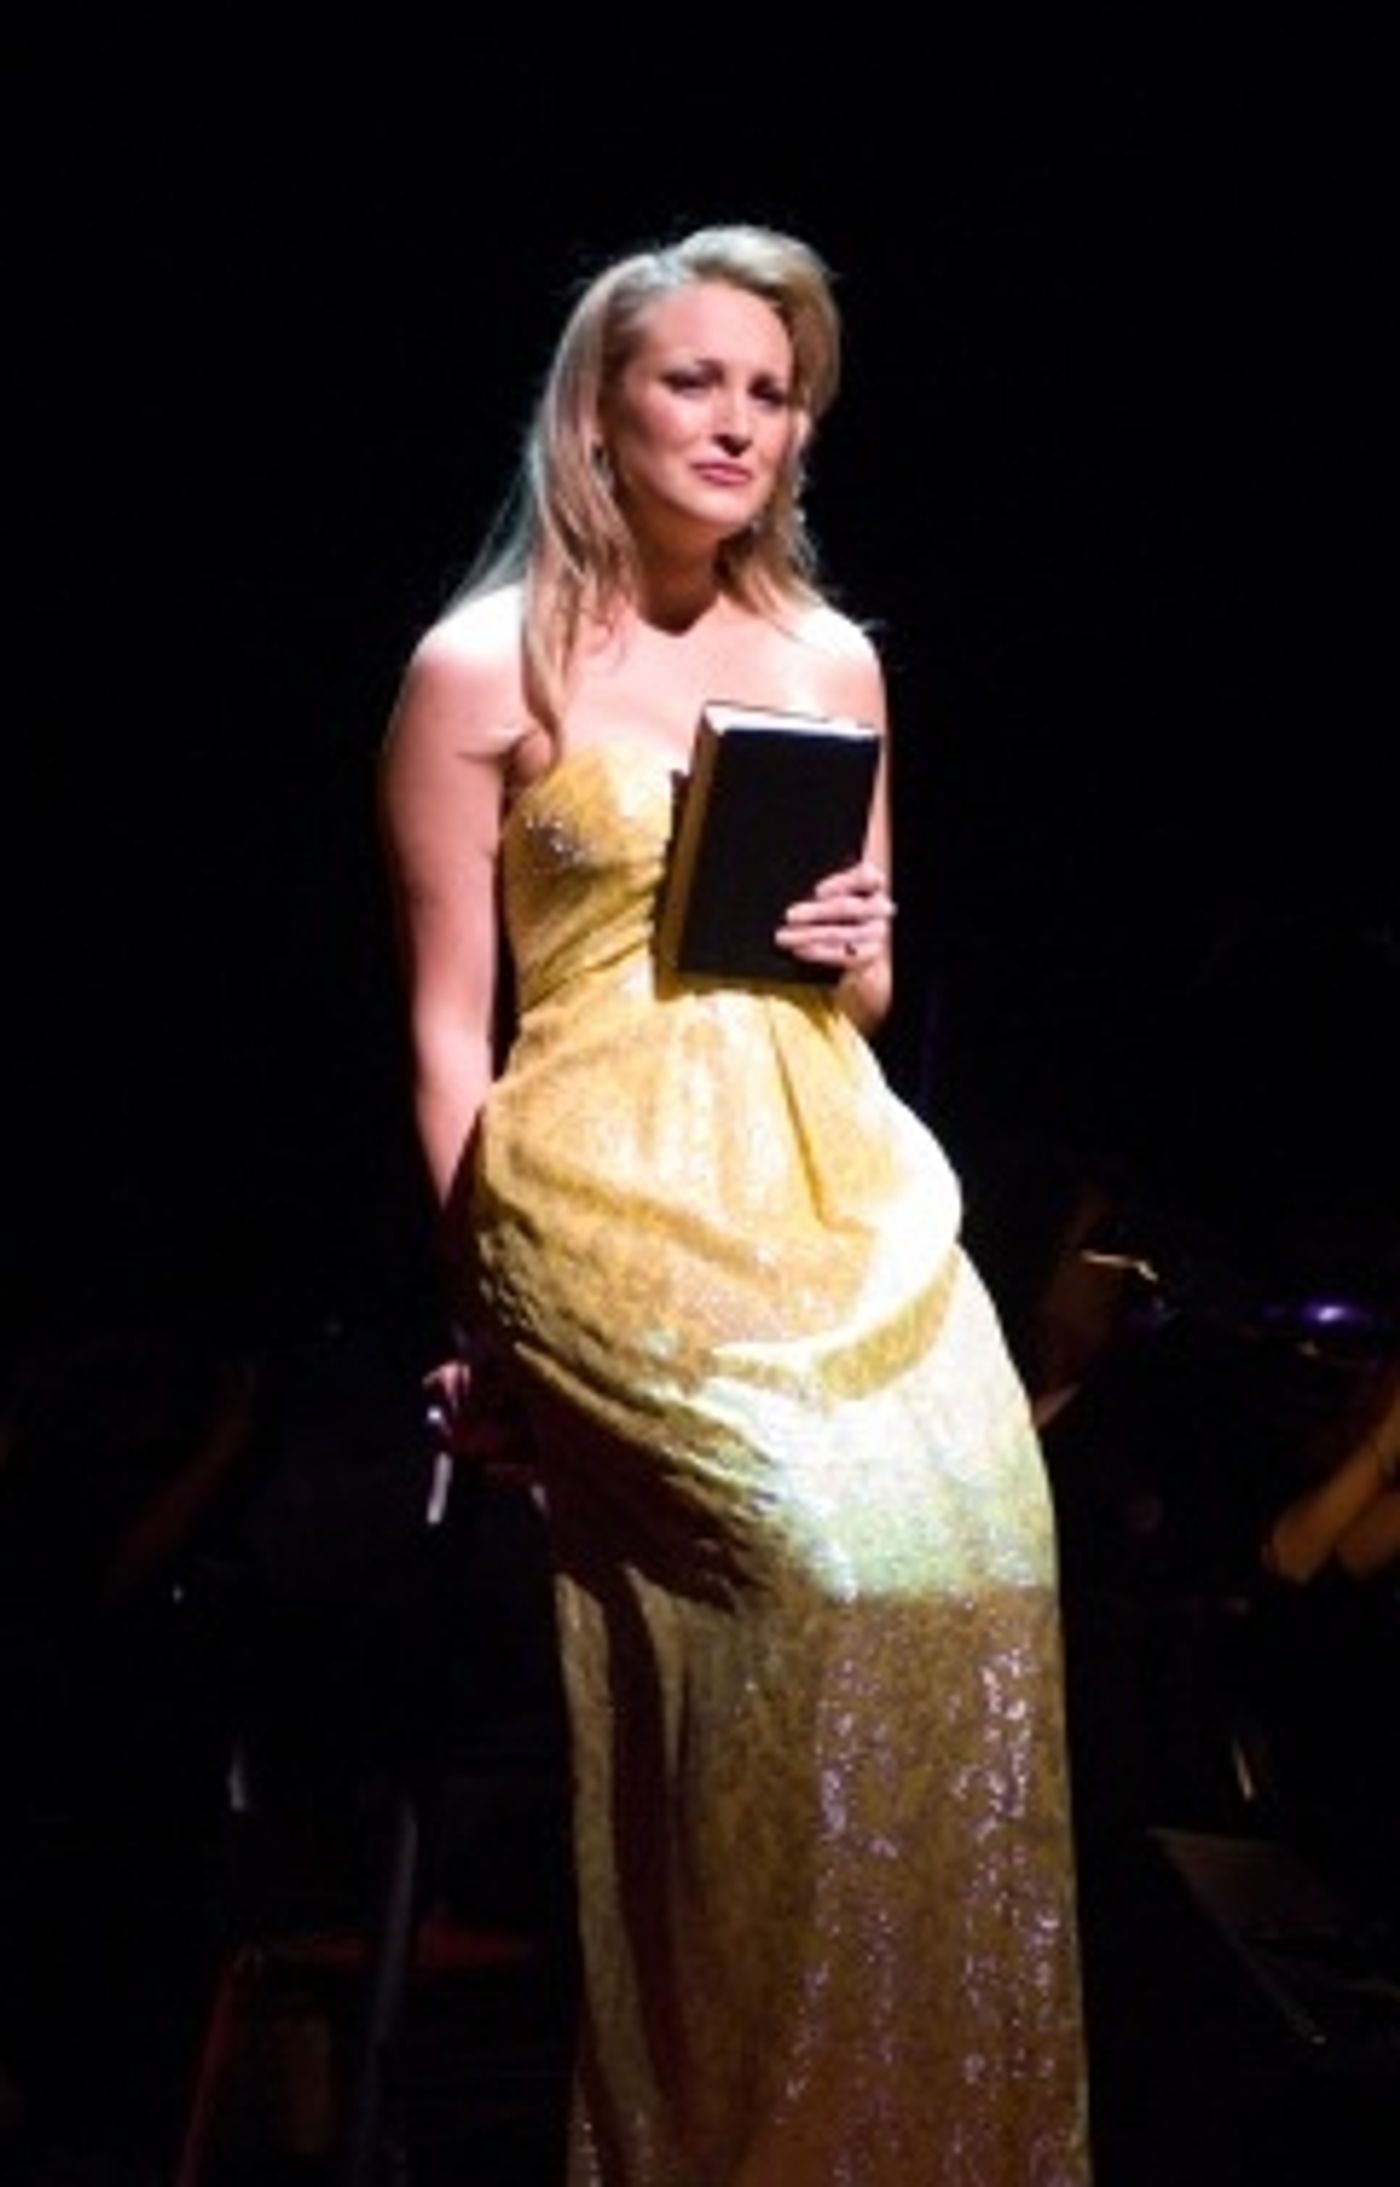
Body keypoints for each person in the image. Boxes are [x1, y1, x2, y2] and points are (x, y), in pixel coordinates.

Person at [379, 222, 1090, 2184]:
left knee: (983, 1565)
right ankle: (745, 2132)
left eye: (771, 393)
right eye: (693, 379)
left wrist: (856, 933)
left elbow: (856, 986)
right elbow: (446, 1029)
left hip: (823, 1171)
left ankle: (923, 2140)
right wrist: (487, 1317)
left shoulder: (828, 656)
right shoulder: (482, 664)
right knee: (817, 1579)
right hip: (601, 1188)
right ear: (598, 408)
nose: (736, 422)